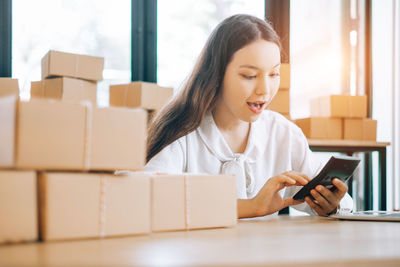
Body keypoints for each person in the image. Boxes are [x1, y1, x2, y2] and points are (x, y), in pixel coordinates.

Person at [144, 14, 353, 218]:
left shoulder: (282, 132)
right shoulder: (182, 130)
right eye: (249, 76)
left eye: (274, 74)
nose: (265, 90)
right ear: (216, 74)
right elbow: (145, 198)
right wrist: (251, 207)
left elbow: (342, 201)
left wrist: (330, 204)